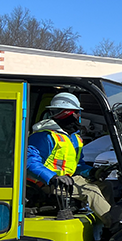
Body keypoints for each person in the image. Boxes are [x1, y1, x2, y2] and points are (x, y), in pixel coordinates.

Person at [26, 92, 116, 227]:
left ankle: (105, 225)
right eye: (75, 113)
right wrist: (53, 177)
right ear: (63, 114)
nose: (78, 117)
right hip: (46, 183)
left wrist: (93, 172)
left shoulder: (73, 138)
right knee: (92, 192)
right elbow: (29, 162)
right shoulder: (44, 137)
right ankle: (116, 225)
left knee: (106, 186)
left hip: (67, 180)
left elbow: (78, 165)